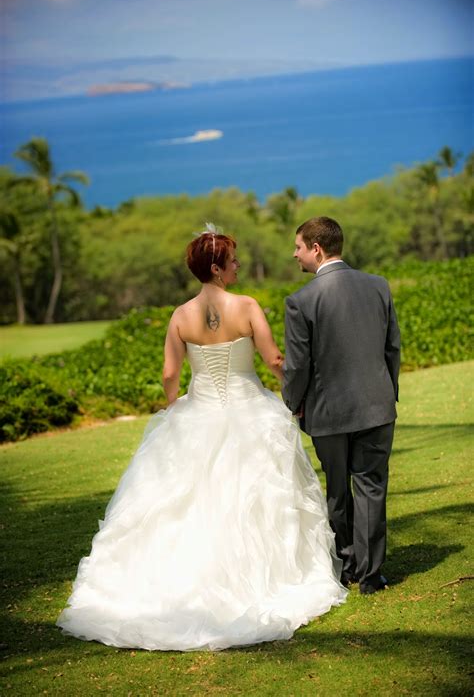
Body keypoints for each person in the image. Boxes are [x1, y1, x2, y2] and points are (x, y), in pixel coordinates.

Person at [56, 227, 347, 652]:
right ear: (216, 268)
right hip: (251, 411)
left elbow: (170, 373)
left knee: (188, 500)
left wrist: (174, 406)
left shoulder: (180, 316)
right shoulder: (246, 306)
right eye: (233, 260)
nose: (239, 265)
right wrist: (295, 395)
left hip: (199, 412)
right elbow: (273, 359)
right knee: (256, 496)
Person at [282, 217, 400, 595]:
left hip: (328, 412)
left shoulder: (301, 301)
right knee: (371, 486)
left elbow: (298, 366)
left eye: (298, 247)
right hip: (376, 406)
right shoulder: (378, 286)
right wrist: (388, 391)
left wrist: (292, 404)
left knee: (337, 489)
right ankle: (371, 575)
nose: (295, 254)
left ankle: (348, 563)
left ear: (317, 249)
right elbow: (392, 348)